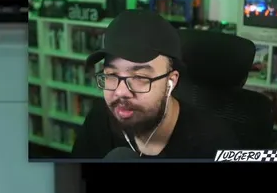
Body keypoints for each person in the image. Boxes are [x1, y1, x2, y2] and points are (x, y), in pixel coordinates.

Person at [70, 9, 238, 160]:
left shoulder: (214, 143)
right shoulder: (99, 118)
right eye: (111, 75)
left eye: (139, 77)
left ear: (171, 82)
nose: (120, 92)